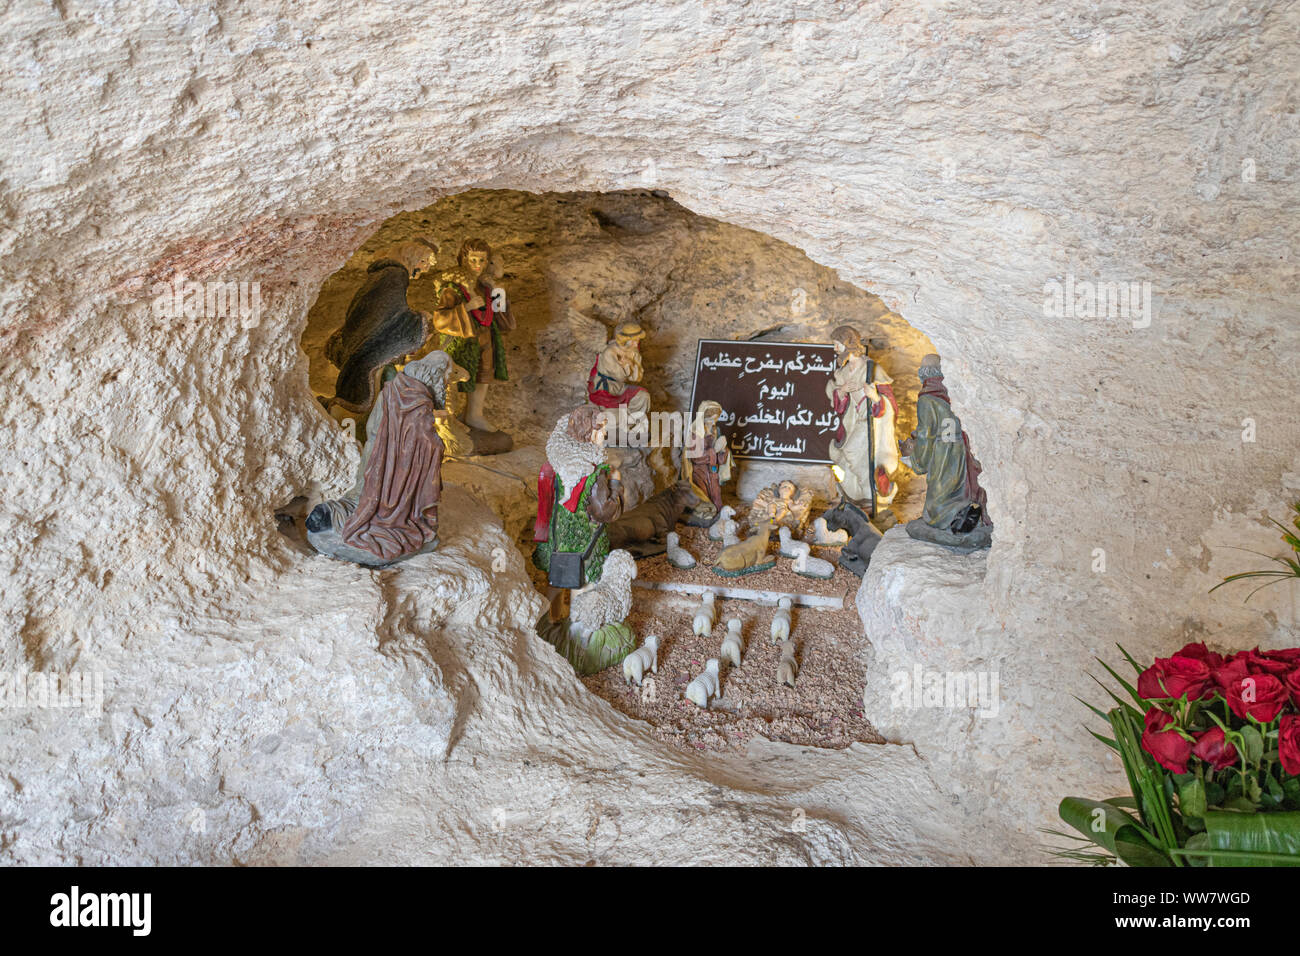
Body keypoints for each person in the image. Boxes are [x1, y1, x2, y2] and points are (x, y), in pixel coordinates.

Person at [307, 351, 467, 566]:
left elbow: (377, 427)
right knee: (386, 504)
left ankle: (336, 515)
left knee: (366, 495)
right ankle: (384, 520)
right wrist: (437, 446)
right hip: (397, 470)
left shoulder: (392, 389)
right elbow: (422, 442)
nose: (446, 385)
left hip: (375, 460)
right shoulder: (418, 400)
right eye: (445, 380)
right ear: (436, 376)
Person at [324, 239, 440, 428]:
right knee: (384, 386)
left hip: (369, 345)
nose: (425, 269)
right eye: (424, 262)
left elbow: (385, 314)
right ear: (412, 256)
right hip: (370, 350)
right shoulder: (395, 275)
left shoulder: (384, 274)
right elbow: (389, 317)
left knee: (388, 383)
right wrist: (421, 321)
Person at [899, 354, 992, 551]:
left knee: (939, 496)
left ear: (923, 373)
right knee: (958, 486)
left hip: (942, 451)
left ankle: (955, 519)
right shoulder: (952, 391)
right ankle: (964, 513)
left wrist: (917, 460)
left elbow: (926, 434)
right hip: (959, 448)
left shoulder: (927, 398)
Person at [431, 237, 517, 449]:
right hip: (462, 343)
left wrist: (499, 291)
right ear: (463, 260)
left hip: (486, 338)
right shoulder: (453, 288)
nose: (478, 265)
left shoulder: (486, 287)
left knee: (483, 376)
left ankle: (474, 414)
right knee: (455, 384)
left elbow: (499, 315)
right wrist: (466, 308)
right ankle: (449, 424)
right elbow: (440, 319)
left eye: (482, 260)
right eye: (473, 260)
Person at [532, 405, 626, 592]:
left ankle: (555, 616)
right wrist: (615, 483)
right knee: (583, 587)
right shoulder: (593, 472)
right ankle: (576, 618)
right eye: (602, 430)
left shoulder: (556, 463)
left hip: (558, 540)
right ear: (589, 434)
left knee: (556, 583)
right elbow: (604, 512)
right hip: (585, 545)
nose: (604, 435)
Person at [826, 325, 898, 512]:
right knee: (849, 457)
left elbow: (889, 402)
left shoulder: (872, 369)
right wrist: (842, 391)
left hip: (870, 421)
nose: (835, 349)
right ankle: (861, 494)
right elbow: (839, 404)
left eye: (837, 344)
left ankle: (873, 493)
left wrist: (874, 396)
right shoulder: (842, 372)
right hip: (852, 420)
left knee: (852, 451)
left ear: (848, 344)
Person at [587, 322, 650, 433]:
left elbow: (636, 378)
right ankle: (616, 424)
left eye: (638, 341)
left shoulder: (633, 352)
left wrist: (630, 363)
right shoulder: (609, 352)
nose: (636, 344)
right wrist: (627, 365)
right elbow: (620, 376)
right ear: (626, 339)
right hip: (606, 388)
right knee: (609, 418)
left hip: (620, 388)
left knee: (643, 396)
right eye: (635, 341)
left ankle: (629, 424)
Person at [680, 400, 731, 520]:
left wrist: (723, 450)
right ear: (703, 417)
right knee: (703, 494)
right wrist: (714, 450)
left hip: (712, 470)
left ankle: (718, 514)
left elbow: (719, 456)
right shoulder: (695, 433)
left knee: (716, 494)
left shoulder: (714, 431)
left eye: (716, 419)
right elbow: (695, 457)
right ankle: (705, 514)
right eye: (710, 419)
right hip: (700, 471)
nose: (713, 422)